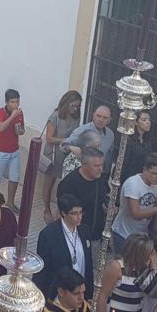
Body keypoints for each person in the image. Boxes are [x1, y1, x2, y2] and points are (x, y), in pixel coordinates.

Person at [98, 233, 157, 312]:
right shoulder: (116, 267)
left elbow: (154, 293)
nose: (151, 257)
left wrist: (154, 272)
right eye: (148, 254)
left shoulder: (144, 268)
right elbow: (102, 296)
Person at [36, 193, 94, 300]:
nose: (79, 217)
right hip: (59, 294)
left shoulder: (84, 230)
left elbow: (88, 263)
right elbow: (42, 270)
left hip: (80, 293)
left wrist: (89, 294)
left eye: (81, 212)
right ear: (63, 213)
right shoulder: (49, 235)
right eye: (74, 213)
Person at [112, 154, 157, 252]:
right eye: (154, 173)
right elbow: (135, 214)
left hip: (141, 234)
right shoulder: (133, 184)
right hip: (123, 234)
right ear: (144, 170)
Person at [58, 147, 109, 257]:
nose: (100, 169)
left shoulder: (101, 179)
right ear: (84, 165)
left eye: (102, 165)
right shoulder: (69, 185)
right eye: (96, 166)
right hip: (76, 237)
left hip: (96, 236)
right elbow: (62, 213)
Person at [41, 90, 82, 223]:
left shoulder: (76, 117)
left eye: (77, 106)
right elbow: (49, 138)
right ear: (66, 103)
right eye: (73, 106)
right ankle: (46, 209)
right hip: (54, 155)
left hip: (67, 155)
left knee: (65, 184)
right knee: (49, 182)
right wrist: (66, 140)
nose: (75, 109)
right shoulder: (56, 116)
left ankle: (61, 211)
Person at [0, 89, 25, 208]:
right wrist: (12, 117)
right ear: (6, 102)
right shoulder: (0, 112)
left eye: (17, 101)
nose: (15, 105)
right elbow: (0, 128)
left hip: (14, 150)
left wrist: (20, 130)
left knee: (14, 177)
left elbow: (22, 130)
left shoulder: (20, 113)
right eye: (12, 102)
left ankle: (10, 202)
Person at [61, 105, 116, 178]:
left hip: (99, 176)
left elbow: (108, 157)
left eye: (105, 118)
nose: (101, 120)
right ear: (93, 116)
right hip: (81, 175)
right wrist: (71, 148)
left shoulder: (110, 135)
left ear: (109, 120)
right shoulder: (82, 130)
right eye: (98, 116)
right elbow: (62, 145)